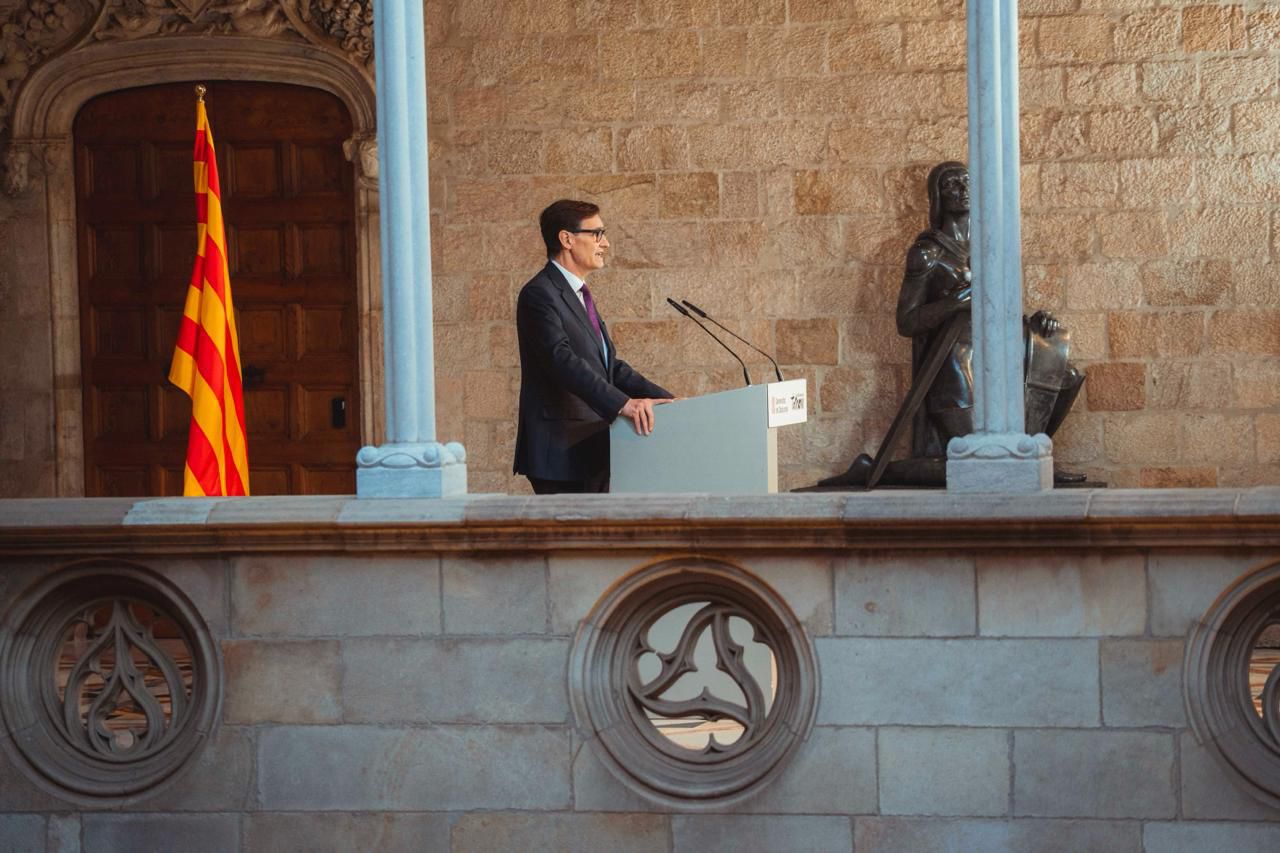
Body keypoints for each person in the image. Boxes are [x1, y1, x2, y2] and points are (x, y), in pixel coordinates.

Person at [513, 199, 673, 494]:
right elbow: (561, 360)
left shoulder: (579, 295)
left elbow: (609, 366)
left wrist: (670, 402)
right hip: (560, 452)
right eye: (597, 234)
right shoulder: (539, 294)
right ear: (567, 239)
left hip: (592, 448)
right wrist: (623, 404)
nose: (606, 243)